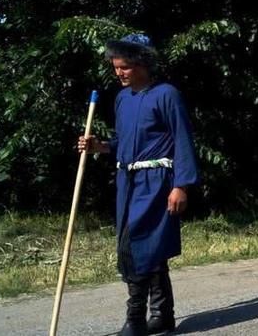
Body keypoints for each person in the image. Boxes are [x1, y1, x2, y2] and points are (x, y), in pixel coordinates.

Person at [77, 34, 199, 336]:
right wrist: (100, 146)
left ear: (143, 64)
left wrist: (181, 185)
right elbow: (124, 144)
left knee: (139, 245)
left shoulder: (166, 94)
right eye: (116, 67)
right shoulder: (122, 99)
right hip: (128, 183)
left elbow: (183, 140)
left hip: (157, 183)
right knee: (146, 246)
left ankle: (134, 321)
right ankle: (162, 315)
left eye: (126, 67)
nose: (119, 73)